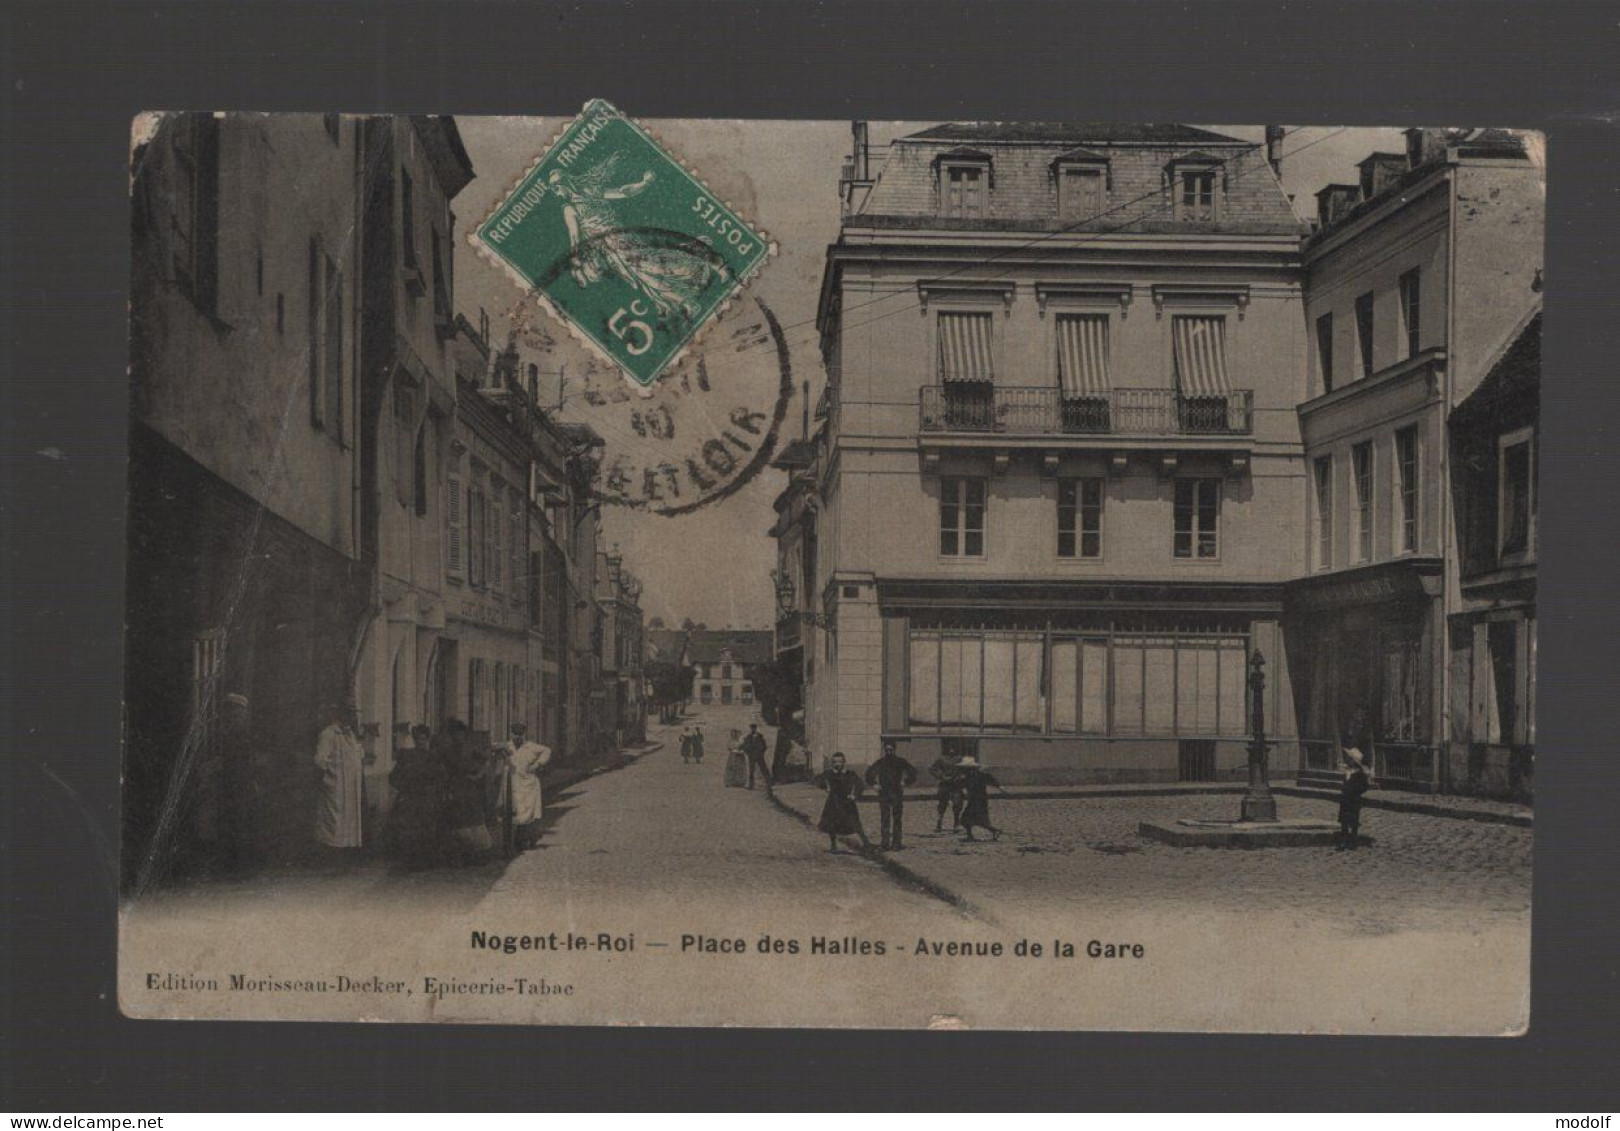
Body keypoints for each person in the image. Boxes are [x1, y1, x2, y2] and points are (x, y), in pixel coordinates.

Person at [313, 703, 371, 852]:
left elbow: (359, 754)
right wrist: (329, 780)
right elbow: (320, 761)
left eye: (353, 714)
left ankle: (346, 849)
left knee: (349, 819)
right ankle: (330, 851)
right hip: (335, 785)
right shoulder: (329, 734)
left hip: (350, 786)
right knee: (334, 821)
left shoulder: (351, 735)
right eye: (348, 714)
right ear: (340, 715)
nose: (351, 718)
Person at [388, 724, 447, 868]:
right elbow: (394, 777)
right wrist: (403, 789)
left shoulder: (433, 757)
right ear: (414, 740)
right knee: (409, 829)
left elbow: (442, 777)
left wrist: (436, 794)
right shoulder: (406, 756)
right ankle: (410, 858)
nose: (420, 742)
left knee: (427, 829)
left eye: (423, 739)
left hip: (427, 799)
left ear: (427, 739)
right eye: (417, 739)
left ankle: (427, 859)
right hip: (410, 798)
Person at [220, 691, 265, 871]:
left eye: (238, 712)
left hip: (241, 782)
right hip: (232, 782)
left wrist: (252, 780)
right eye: (233, 712)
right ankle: (237, 863)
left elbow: (246, 760)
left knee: (240, 821)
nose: (236, 716)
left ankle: (241, 864)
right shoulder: (231, 731)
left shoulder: (241, 733)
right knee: (235, 821)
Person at [435, 719, 492, 859]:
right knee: (456, 816)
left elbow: (487, 760)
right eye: (454, 734)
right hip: (454, 786)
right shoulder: (447, 751)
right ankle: (458, 850)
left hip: (469, 786)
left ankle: (477, 849)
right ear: (451, 736)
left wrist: (478, 775)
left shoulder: (471, 747)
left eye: (460, 734)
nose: (457, 737)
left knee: (473, 815)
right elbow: (440, 766)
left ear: (464, 735)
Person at [500, 721, 553, 852]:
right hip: (510, 785)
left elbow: (547, 750)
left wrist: (537, 764)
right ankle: (507, 845)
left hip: (527, 785)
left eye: (520, 735)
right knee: (509, 813)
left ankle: (522, 840)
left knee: (525, 814)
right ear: (511, 734)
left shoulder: (530, 747)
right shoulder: (507, 747)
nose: (517, 737)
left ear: (523, 735)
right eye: (515, 734)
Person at [864, 740, 919, 851]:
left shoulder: (900, 761)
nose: (889, 752)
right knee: (885, 818)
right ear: (884, 750)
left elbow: (913, 772)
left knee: (897, 818)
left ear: (895, 749)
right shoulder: (880, 762)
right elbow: (869, 774)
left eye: (891, 750)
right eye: (887, 750)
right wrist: (874, 784)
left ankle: (896, 844)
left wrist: (905, 782)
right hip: (884, 793)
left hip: (896, 793)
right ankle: (885, 844)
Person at [813, 752, 871, 853]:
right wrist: (824, 785)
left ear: (844, 762)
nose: (837, 764)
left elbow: (860, 784)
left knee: (855, 823)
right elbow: (817, 780)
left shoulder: (850, 774)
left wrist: (855, 795)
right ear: (832, 763)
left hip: (847, 801)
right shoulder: (829, 774)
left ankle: (866, 844)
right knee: (832, 824)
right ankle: (833, 845)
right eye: (835, 762)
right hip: (833, 801)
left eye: (840, 762)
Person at [956, 756, 1004, 842]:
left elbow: (991, 780)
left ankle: (995, 831)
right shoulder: (969, 776)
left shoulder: (976, 775)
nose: (963, 770)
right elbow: (959, 785)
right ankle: (970, 836)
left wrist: (1000, 787)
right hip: (976, 800)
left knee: (976, 819)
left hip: (979, 800)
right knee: (966, 819)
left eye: (964, 768)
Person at [1337, 747, 1372, 850]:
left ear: (1355, 761)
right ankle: (1343, 840)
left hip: (1354, 799)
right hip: (1345, 799)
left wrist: (1355, 790)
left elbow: (1364, 786)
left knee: (1353, 821)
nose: (1348, 760)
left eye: (1350, 758)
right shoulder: (1347, 771)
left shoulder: (1360, 773)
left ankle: (1353, 841)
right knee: (1344, 820)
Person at [929, 750, 965, 833]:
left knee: (957, 804)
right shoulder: (941, 759)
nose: (951, 750)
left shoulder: (960, 759)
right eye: (949, 748)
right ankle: (939, 824)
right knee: (942, 805)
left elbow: (966, 769)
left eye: (953, 748)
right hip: (944, 784)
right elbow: (932, 769)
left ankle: (956, 825)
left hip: (956, 785)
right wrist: (941, 776)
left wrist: (960, 777)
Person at [741, 723, 772, 791]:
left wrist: (761, 753)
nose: (753, 729)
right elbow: (745, 746)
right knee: (751, 771)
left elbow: (764, 746)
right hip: (751, 756)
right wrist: (748, 753)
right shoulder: (748, 737)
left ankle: (770, 783)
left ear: (756, 728)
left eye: (754, 728)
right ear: (750, 728)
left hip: (759, 756)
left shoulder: (760, 736)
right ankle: (751, 785)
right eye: (752, 728)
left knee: (764, 769)